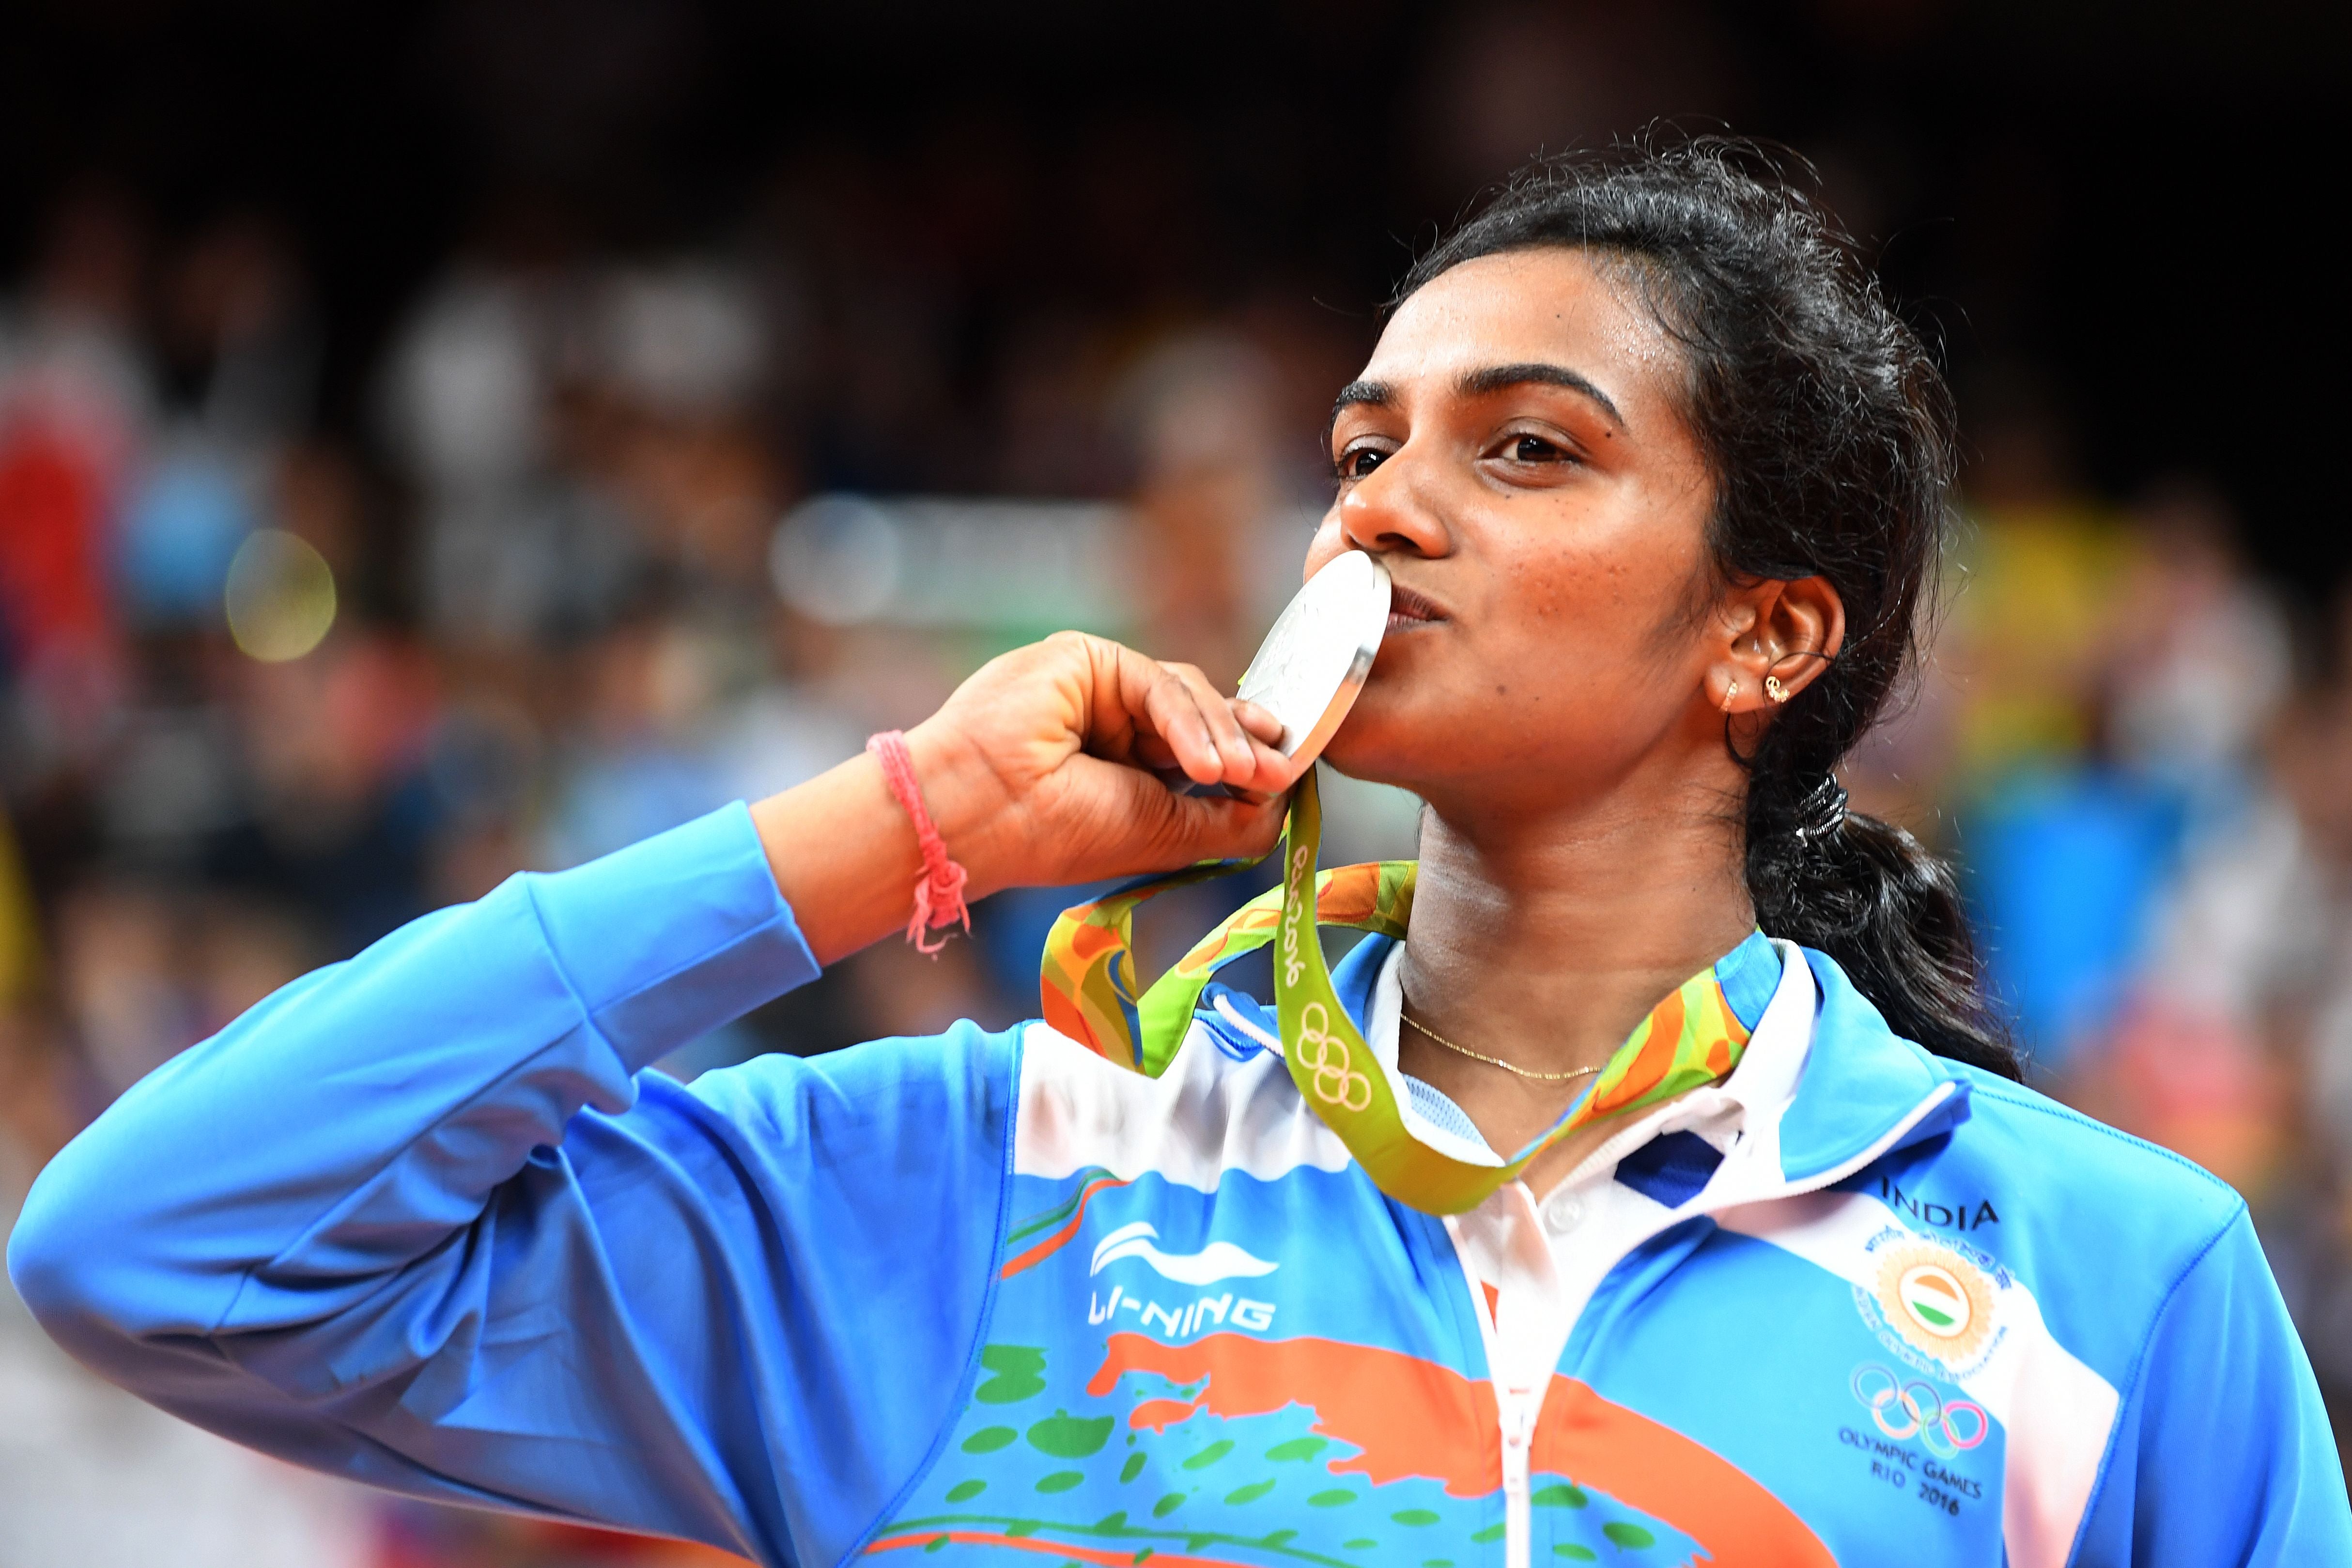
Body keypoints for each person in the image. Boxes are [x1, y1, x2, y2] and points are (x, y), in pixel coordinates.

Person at [10, 144, 2344, 1568]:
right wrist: (888, 831)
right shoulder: (978, 1178)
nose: (1379, 502)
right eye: (1363, 444)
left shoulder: (2102, 1290)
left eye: (1522, 451)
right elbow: (161, 1249)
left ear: (1765, 632)